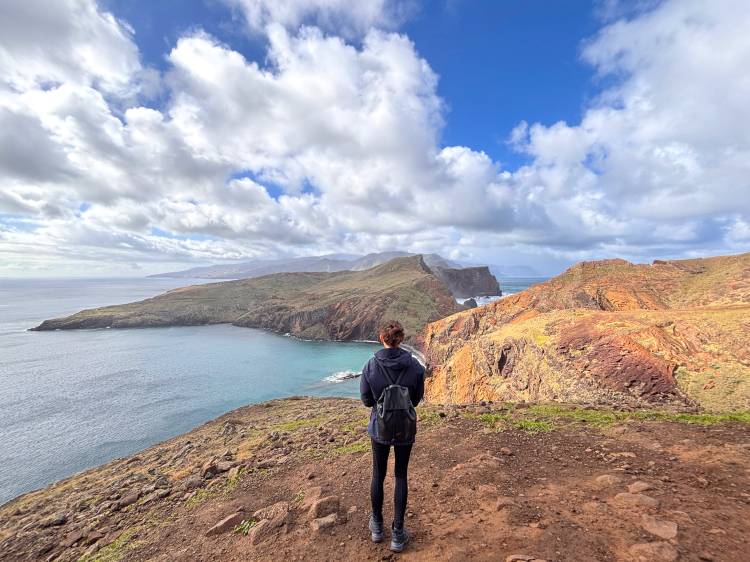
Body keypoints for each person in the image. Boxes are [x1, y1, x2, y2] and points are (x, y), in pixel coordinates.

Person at [360, 320, 425, 553]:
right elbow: (416, 399)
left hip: (380, 428)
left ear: (381, 338)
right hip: (406, 428)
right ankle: (398, 534)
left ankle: (377, 527)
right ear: (401, 339)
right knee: (400, 475)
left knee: (378, 474)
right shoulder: (416, 366)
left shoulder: (370, 366)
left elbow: (367, 400)